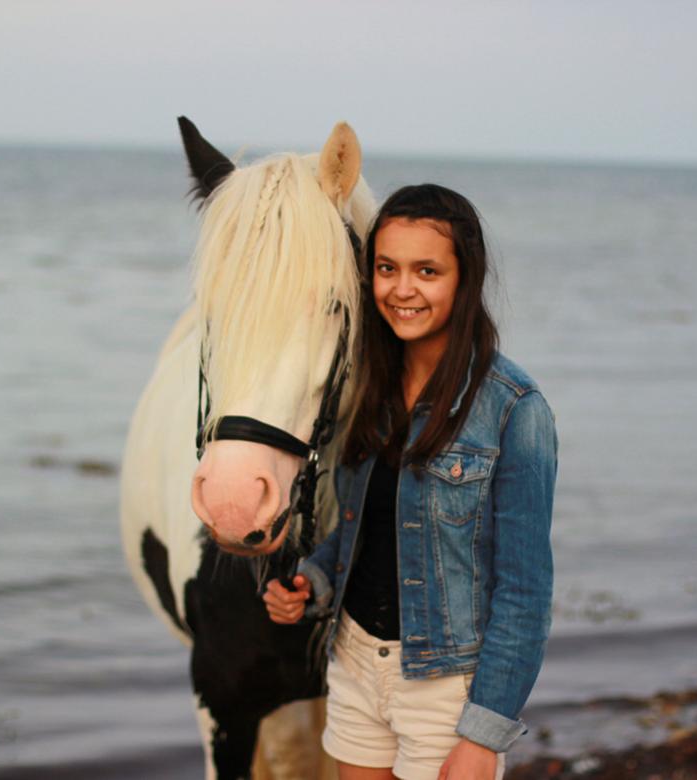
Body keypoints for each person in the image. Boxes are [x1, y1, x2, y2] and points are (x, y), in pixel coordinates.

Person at [263, 183, 558, 780]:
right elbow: (358, 532)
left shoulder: (514, 410)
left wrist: (484, 732)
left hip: (445, 689)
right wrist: (310, 583)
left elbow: (525, 595)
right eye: (387, 268)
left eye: (427, 270)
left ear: (464, 278)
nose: (402, 289)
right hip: (354, 661)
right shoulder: (365, 390)